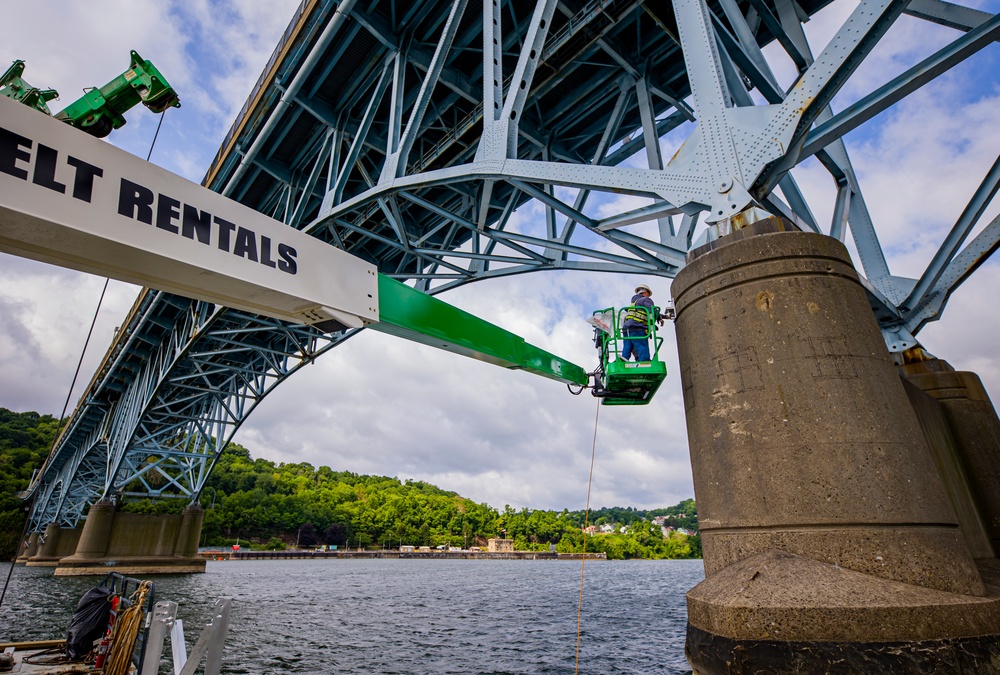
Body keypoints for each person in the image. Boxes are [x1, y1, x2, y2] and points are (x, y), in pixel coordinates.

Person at [620, 284, 664, 361]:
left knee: (627, 349)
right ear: (645, 292)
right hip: (637, 327)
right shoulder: (645, 300)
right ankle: (645, 362)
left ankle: (622, 361)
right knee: (642, 347)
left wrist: (664, 316)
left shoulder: (634, 303)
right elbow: (652, 310)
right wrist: (658, 317)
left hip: (627, 328)